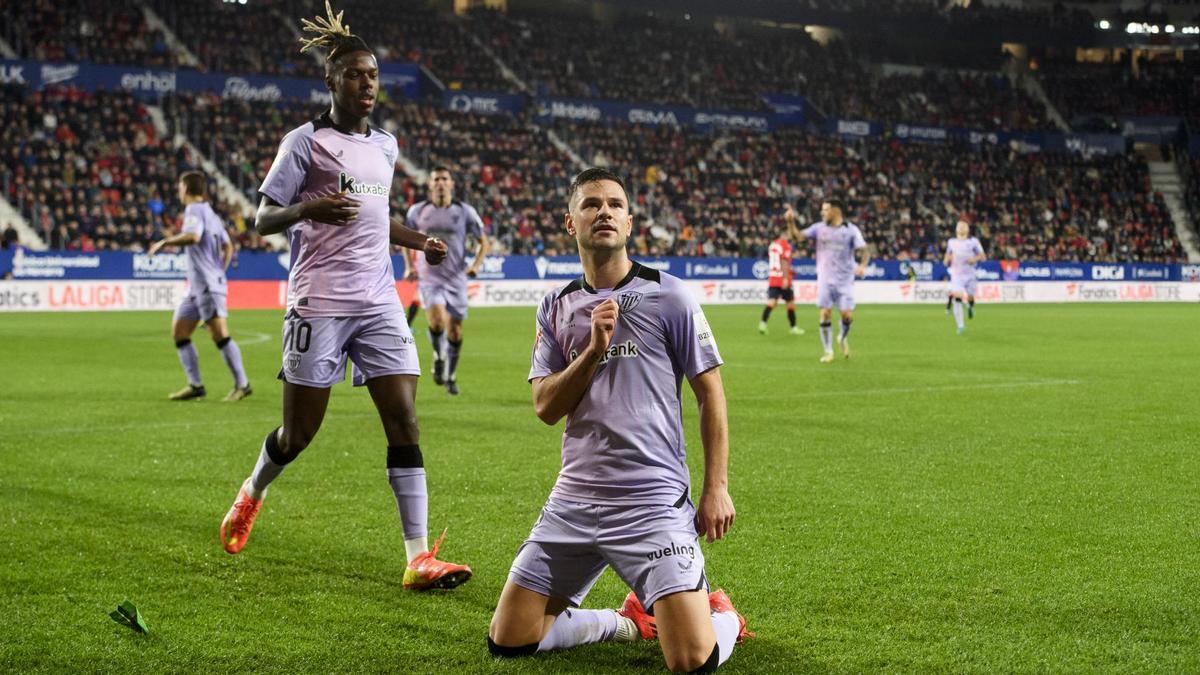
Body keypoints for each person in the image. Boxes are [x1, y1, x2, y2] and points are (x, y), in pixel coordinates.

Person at [217, 1, 471, 592]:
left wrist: (419, 240)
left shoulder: (385, 146)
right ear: (331, 80)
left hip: (380, 300)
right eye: (356, 74)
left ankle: (416, 558)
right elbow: (261, 219)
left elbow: (375, 219)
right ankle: (252, 492)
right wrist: (310, 207)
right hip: (319, 301)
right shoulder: (303, 143)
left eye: (374, 75)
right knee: (298, 435)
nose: (367, 84)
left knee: (405, 421)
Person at [487, 168, 750, 673]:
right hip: (574, 500)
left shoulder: (669, 295)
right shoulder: (556, 306)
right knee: (509, 639)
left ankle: (725, 621)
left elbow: (710, 393)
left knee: (690, 660)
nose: (603, 211)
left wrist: (716, 487)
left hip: (651, 502)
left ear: (629, 222)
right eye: (591, 204)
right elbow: (545, 407)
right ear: (571, 222)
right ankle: (624, 622)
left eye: (614, 204)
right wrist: (591, 352)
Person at [149, 171, 251, 402]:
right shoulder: (211, 214)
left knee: (219, 335)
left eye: (179, 187)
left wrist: (165, 242)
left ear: (185, 188)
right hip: (197, 286)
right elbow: (228, 246)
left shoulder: (194, 210)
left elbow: (193, 237)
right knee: (180, 332)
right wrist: (219, 271)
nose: (178, 191)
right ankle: (195, 385)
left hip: (206, 284)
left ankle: (242, 384)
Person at [403, 166, 490, 396]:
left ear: (451, 184)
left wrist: (476, 266)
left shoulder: (465, 212)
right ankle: (439, 355)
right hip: (429, 278)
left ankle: (450, 375)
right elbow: (406, 238)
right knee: (437, 321)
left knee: (455, 331)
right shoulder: (417, 211)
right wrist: (410, 266)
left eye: (444, 179)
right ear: (430, 185)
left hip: (456, 279)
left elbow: (484, 241)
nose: (440, 182)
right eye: (436, 179)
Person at [799, 198, 869, 363]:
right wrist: (789, 222)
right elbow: (798, 236)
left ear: (836, 211)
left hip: (845, 280)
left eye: (825, 210)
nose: (822, 213)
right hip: (825, 279)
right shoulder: (819, 228)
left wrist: (862, 265)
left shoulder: (851, 230)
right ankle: (828, 351)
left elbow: (865, 251)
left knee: (846, 315)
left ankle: (842, 338)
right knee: (825, 313)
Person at [758, 204, 804, 336]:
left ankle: (762, 323)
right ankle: (793, 327)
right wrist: (785, 277)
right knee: (790, 304)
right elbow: (784, 261)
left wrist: (790, 271)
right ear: (787, 233)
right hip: (782, 279)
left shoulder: (773, 244)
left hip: (773, 277)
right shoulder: (786, 245)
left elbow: (777, 262)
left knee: (771, 302)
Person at [943, 220, 986, 334]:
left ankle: (970, 306)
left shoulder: (973, 242)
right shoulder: (951, 242)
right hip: (957, 275)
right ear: (956, 229)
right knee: (957, 296)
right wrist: (946, 259)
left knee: (970, 296)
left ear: (968, 229)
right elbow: (948, 253)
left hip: (970, 275)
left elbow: (982, 256)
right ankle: (960, 326)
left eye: (964, 226)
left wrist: (974, 259)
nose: (961, 227)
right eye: (959, 226)